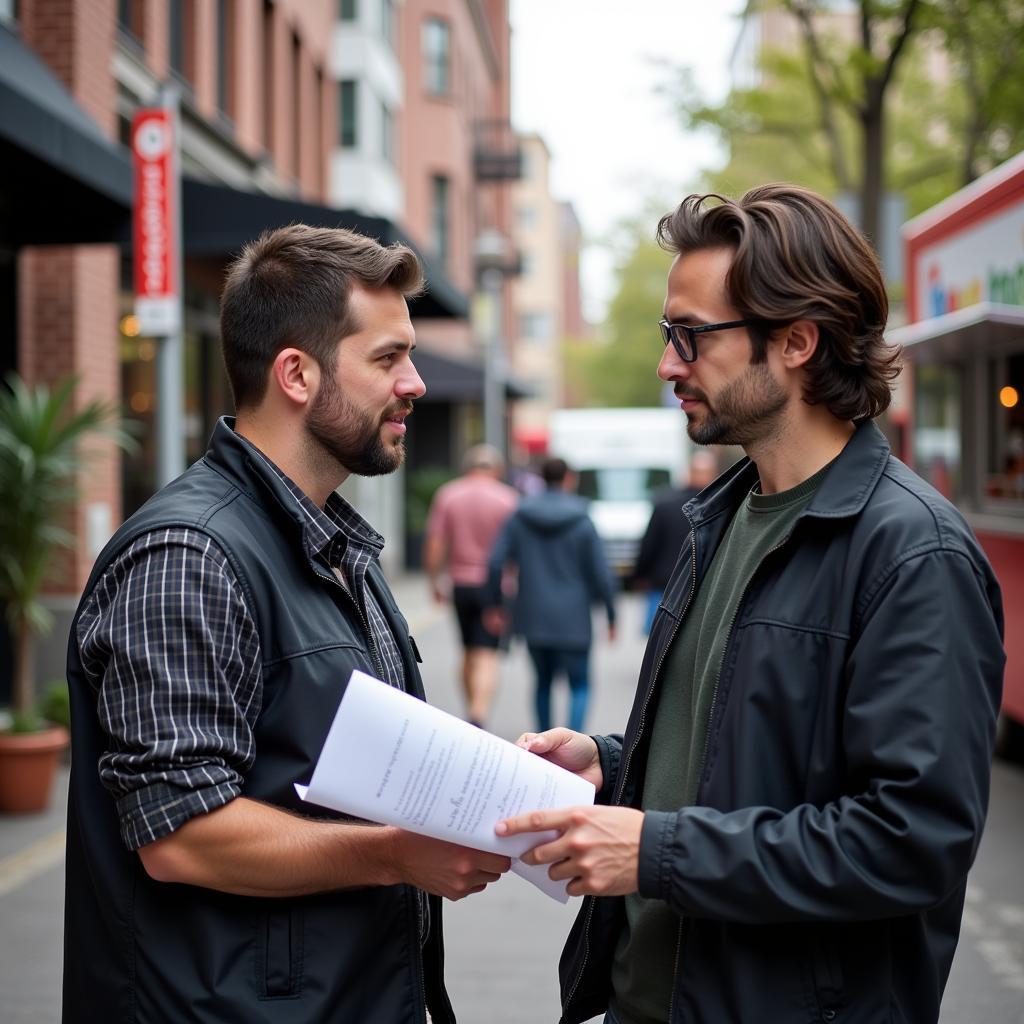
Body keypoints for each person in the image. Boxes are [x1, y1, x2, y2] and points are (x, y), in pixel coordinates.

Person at [495, 185, 1005, 1024]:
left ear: (797, 341)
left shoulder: (914, 552)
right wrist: (614, 765)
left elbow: (914, 842)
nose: (668, 364)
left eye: (690, 336)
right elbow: (743, 748)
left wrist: (656, 850)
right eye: (669, 335)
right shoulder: (721, 517)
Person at [63, 224, 510, 1023]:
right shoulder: (188, 555)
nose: (413, 383)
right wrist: (395, 854)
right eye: (385, 358)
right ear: (296, 374)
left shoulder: (333, 541)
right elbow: (182, 834)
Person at [483, 457, 616, 734]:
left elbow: (496, 563)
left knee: (543, 683)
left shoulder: (521, 516)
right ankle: (573, 741)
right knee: (579, 684)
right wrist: (612, 614)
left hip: (533, 615)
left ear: (542, 477)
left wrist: (496, 604)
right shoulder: (582, 518)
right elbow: (601, 573)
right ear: (569, 479)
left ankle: (544, 744)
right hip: (575, 616)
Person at [423, 443, 518, 727]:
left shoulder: (449, 495)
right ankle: (478, 710)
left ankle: (471, 706)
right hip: (497, 586)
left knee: (466, 650)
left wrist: (434, 580)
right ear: (497, 469)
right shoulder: (508, 499)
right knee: (486, 653)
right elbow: (515, 551)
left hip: (460, 583)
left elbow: (436, 542)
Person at [632, 449, 718, 633]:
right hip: (702, 587)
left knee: (658, 643)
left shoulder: (665, 504)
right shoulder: (719, 508)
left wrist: (639, 575)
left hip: (663, 586)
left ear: (689, 473)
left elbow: (648, 545)